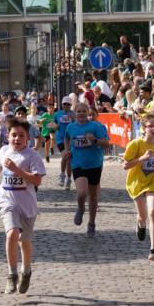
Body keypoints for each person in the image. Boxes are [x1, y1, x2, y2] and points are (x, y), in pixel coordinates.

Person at [0, 118, 46, 295]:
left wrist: (17, 170)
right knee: (12, 233)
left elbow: (37, 180)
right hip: (7, 200)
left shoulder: (32, 156)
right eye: (14, 135)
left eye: (21, 136)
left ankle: (26, 271)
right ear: (7, 135)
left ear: (27, 138)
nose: (17, 139)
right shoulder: (4, 150)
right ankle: (11, 274)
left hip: (26, 204)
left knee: (24, 241)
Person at [122, 113, 154, 261]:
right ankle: (140, 223)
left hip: (152, 181)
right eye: (150, 126)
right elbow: (125, 165)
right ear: (143, 128)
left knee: (153, 211)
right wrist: (142, 158)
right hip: (136, 183)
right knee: (143, 216)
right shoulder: (135, 144)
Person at [63, 101, 110, 237]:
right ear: (75, 114)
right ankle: (81, 208)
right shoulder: (71, 127)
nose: (81, 114)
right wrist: (67, 150)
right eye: (78, 111)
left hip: (95, 164)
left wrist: (95, 140)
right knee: (82, 192)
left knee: (93, 196)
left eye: (84, 111)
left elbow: (106, 143)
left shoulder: (96, 126)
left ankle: (91, 224)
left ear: (88, 113)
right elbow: (67, 138)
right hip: (78, 163)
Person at [54, 97, 75, 189]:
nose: (66, 106)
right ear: (62, 105)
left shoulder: (74, 114)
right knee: (65, 156)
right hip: (60, 139)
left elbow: (78, 123)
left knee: (69, 159)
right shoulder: (57, 114)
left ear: (71, 105)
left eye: (68, 104)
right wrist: (55, 126)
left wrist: (73, 118)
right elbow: (54, 125)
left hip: (71, 139)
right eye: (64, 104)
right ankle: (63, 175)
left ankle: (69, 179)